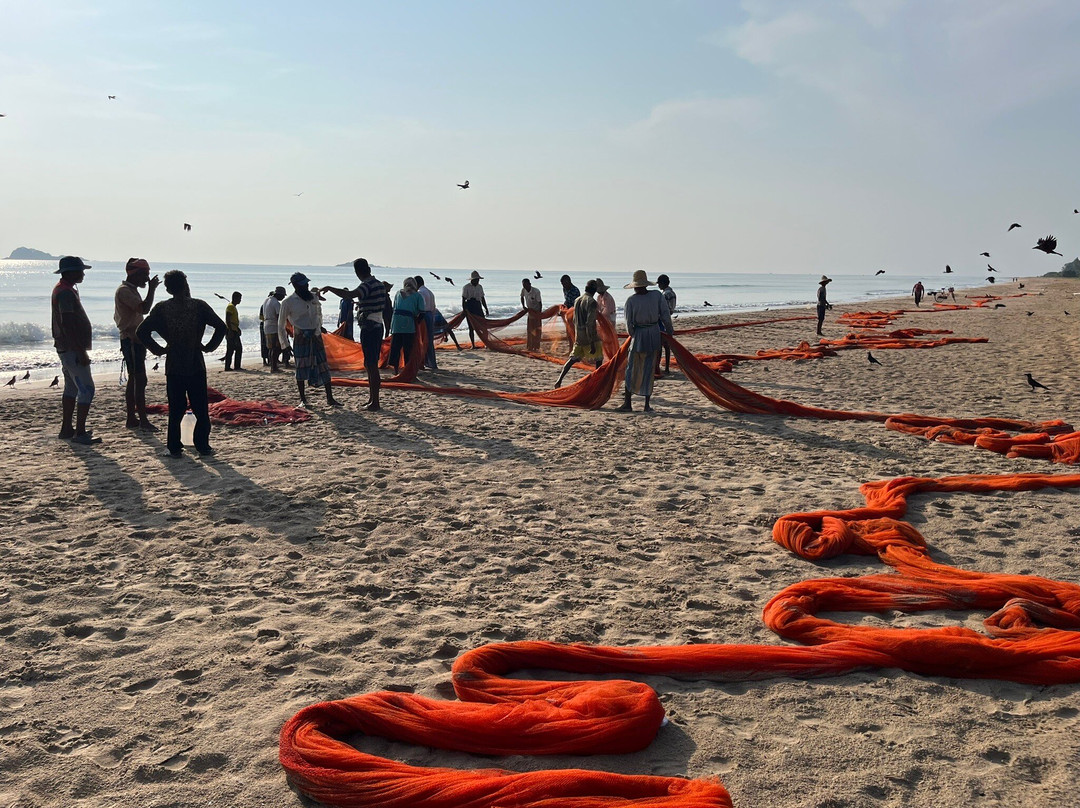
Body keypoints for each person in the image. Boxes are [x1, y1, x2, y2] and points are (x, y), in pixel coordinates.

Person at [136, 270, 227, 457]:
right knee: (200, 407)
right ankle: (203, 446)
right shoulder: (198, 306)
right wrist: (209, 347)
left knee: (176, 409)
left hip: (174, 364)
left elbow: (142, 331)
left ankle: (174, 447)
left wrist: (159, 349)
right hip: (195, 362)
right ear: (185, 285)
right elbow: (221, 327)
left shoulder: (162, 308)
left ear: (168, 289)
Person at [323, 258, 389, 411]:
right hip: (377, 325)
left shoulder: (366, 285)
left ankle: (375, 402)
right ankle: (373, 399)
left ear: (358, 272)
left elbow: (350, 294)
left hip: (370, 328)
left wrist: (330, 288)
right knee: (370, 363)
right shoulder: (379, 284)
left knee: (371, 365)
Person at [277, 272, 341, 408]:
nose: (306, 286)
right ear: (295, 286)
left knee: (323, 366)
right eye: (303, 284)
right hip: (301, 338)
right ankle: (303, 400)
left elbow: (318, 314)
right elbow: (281, 325)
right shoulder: (288, 302)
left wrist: (319, 327)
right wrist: (285, 345)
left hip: (316, 336)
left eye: (307, 283)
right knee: (301, 368)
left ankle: (330, 398)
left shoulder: (313, 297)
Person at [52, 256, 98, 444]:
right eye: (80, 271)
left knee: (71, 387)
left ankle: (67, 429)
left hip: (65, 347)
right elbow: (68, 323)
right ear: (70, 272)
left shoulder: (65, 289)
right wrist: (80, 351)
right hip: (71, 349)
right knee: (87, 389)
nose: (83, 274)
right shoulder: (65, 293)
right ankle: (80, 432)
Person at [113, 257, 160, 430]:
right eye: (145, 274)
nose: (147, 279)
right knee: (139, 379)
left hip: (134, 339)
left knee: (135, 379)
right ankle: (142, 420)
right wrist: (152, 290)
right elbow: (144, 309)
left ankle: (132, 418)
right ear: (135, 273)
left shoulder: (130, 289)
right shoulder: (125, 291)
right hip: (131, 339)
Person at [616, 270, 672, 413]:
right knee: (649, 369)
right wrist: (669, 331)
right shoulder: (657, 296)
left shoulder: (631, 301)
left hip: (639, 335)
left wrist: (634, 334)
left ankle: (628, 403)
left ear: (635, 286)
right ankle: (646, 405)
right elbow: (665, 315)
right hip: (653, 334)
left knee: (631, 369)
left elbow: (629, 326)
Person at [555, 280, 603, 387]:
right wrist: (592, 343)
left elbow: (575, 320)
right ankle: (597, 382)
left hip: (578, 336)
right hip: (589, 337)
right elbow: (590, 323)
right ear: (595, 291)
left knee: (573, 359)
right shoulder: (591, 302)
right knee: (598, 359)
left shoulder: (577, 300)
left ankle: (559, 380)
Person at [387, 277, 425, 371]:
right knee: (408, 347)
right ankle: (408, 368)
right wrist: (418, 323)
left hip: (396, 323)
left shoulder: (398, 293)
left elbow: (394, 307)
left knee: (396, 347)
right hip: (409, 323)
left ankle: (396, 369)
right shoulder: (417, 296)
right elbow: (422, 312)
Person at [414, 275, 438, 370]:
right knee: (429, 340)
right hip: (430, 315)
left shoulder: (420, 293)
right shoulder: (430, 292)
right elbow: (433, 307)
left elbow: (420, 306)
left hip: (423, 316)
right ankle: (431, 362)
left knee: (423, 339)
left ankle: (425, 362)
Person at [461, 270, 489, 348]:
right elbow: (463, 299)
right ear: (472, 280)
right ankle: (473, 345)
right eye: (476, 279)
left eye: (478, 280)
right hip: (470, 306)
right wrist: (464, 310)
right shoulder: (466, 287)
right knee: (471, 327)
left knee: (483, 325)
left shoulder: (480, 287)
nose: (478, 281)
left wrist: (486, 308)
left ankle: (486, 343)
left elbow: (482, 298)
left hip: (478, 306)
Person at [261, 287, 286, 372]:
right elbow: (279, 317)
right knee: (277, 348)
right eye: (282, 296)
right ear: (279, 294)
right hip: (274, 327)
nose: (283, 298)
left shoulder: (266, 300)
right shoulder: (276, 303)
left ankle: (273, 366)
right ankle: (274, 367)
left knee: (271, 348)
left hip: (266, 326)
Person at [656, 274, 677, 373]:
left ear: (663, 283)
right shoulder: (672, 293)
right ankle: (667, 367)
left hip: (662, 321)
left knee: (660, 345)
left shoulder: (664, 294)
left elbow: (663, 309)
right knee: (667, 346)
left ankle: (659, 367)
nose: (658, 286)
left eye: (659, 283)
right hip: (668, 318)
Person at [520, 278, 543, 351]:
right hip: (530, 312)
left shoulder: (536, 291)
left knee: (537, 330)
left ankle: (536, 347)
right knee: (530, 330)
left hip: (536, 312)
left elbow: (540, 303)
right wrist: (523, 306)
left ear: (530, 284)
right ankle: (530, 346)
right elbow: (522, 297)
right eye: (524, 285)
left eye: (526, 285)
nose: (525, 287)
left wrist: (538, 314)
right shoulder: (523, 290)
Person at [223, 291, 243, 370]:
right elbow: (227, 319)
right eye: (239, 299)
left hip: (234, 329)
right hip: (231, 330)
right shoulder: (230, 307)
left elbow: (232, 320)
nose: (240, 300)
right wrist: (230, 330)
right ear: (235, 298)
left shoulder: (233, 307)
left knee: (235, 348)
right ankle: (229, 367)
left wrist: (237, 328)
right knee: (232, 349)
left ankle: (235, 366)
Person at [259, 290, 273, 366]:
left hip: (266, 324)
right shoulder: (264, 306)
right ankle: (265, 360)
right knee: (264, 342)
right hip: (264, 325)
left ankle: (270, 359)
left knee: (269, 343)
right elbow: (261, 317)